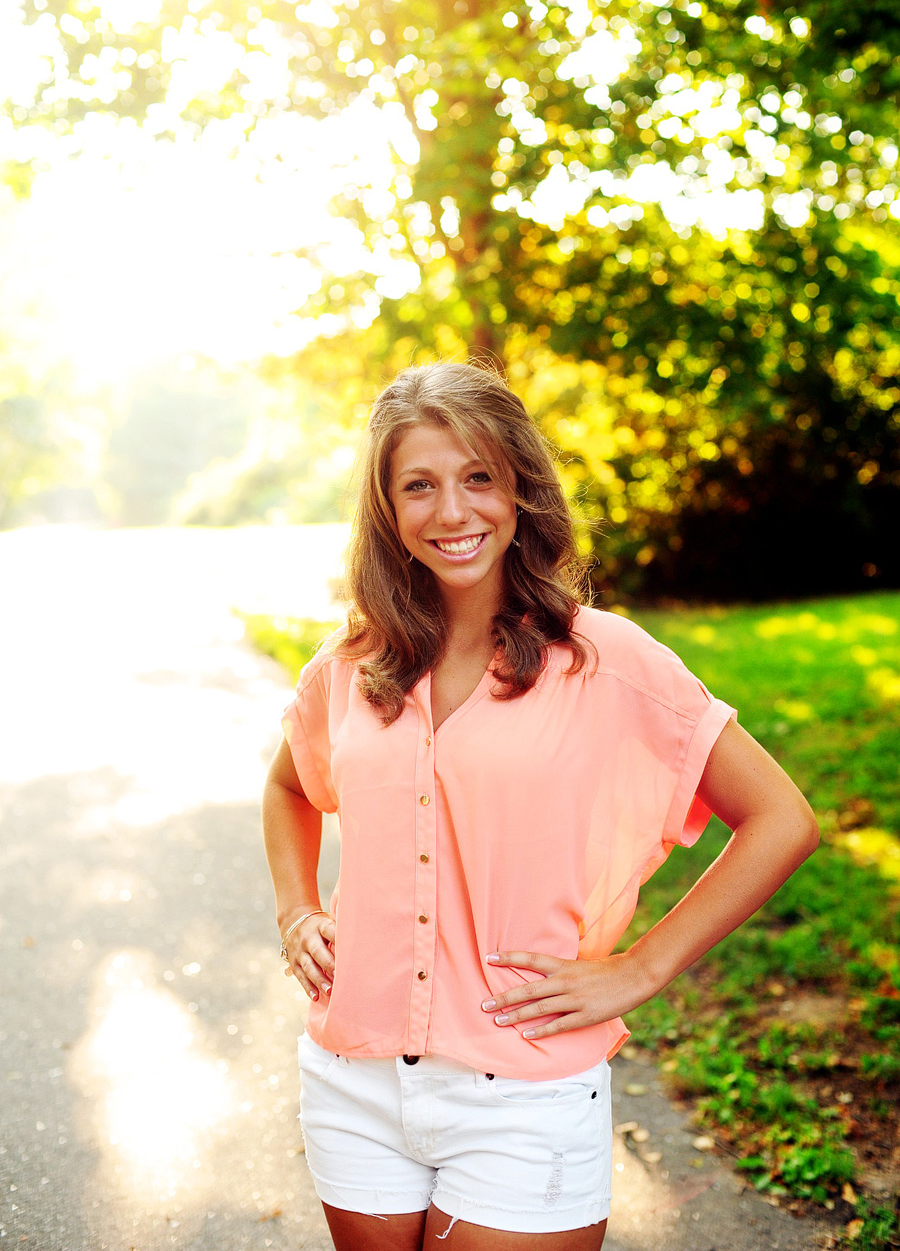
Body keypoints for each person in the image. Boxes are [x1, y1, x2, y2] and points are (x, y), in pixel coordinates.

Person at [262, 361, 819, 1251]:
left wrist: (641, 968)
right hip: (352, 1080)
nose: (453, 511)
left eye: (478, 476)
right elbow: (290, 785)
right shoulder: (350, 662)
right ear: (389, 511)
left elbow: (783, 817)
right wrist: (295, 908)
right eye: (420, 485)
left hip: (524, 1093)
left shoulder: (607, 659)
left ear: (520, 487)